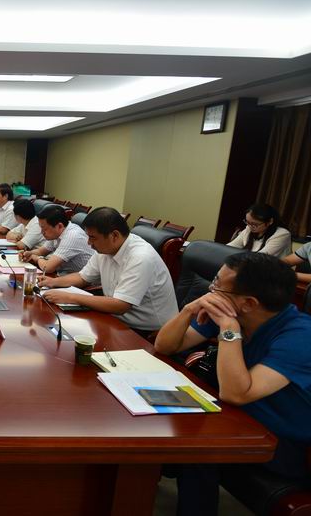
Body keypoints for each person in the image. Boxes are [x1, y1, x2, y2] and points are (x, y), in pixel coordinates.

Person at [154, 253, 311, 516]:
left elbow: (236, 393)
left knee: (198, 447)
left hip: (286, 444)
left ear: (248, 303)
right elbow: (165, 346)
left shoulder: (300, 337)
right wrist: (189, 309)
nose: (210, 290)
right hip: (240, 420)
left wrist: (228, 327)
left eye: (217, 285)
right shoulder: (232, 313)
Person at [39, 206, 178, 335]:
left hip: (147, 332)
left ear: (114, 235)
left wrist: (70, 297)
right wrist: (52, 282)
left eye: (92, 237)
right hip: (115, 319)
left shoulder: (141, 257)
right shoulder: (105, 249)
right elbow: (83, 277)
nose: (89, 243)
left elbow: (120, 305)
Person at [22, 205, 95, 275]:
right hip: (64, 274)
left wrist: (37, 258)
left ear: (59, 226)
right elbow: (41, 251)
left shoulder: (72, 236)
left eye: (44, 229)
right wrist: (28, 253)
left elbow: (47, 268)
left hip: (84, 281)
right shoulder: (57, 232)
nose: (42, 232)